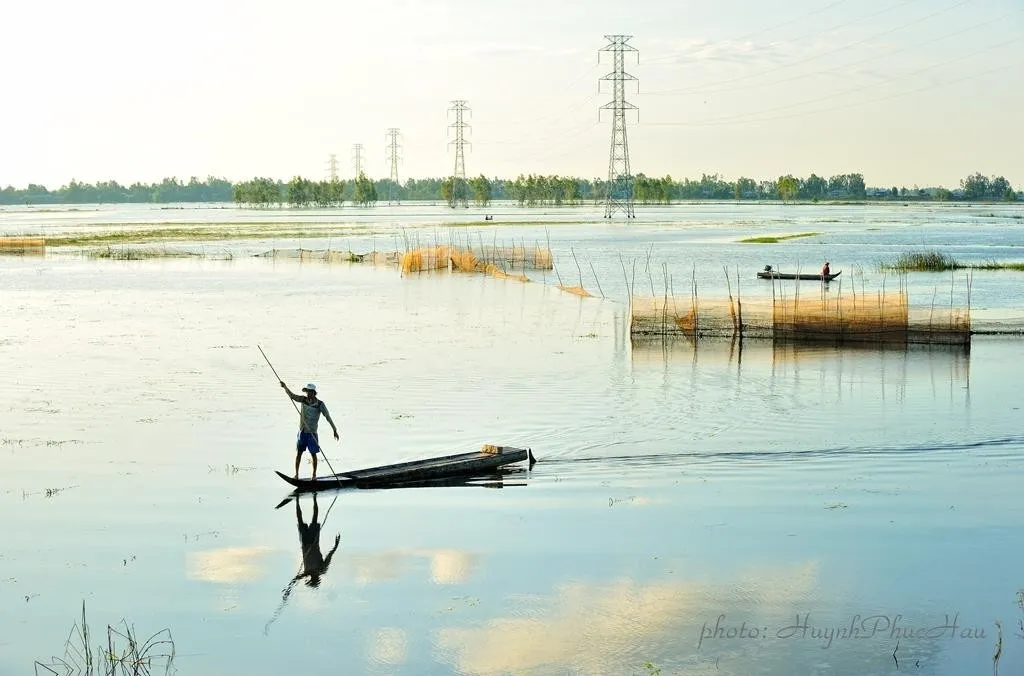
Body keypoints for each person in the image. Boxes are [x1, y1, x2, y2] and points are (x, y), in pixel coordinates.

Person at [279, 381, 339, 479]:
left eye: (310, 392)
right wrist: (285, 387)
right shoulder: (303, 400)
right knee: (299, 453)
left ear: (314, 393)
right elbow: (292, 396)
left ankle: (314, 475)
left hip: (312, 433)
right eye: (307, 392)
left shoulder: (320, 404)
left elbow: (327, 416)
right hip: (302, 432)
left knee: (313, 454)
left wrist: (334, 430)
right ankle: (296, 475)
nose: (308, 394)